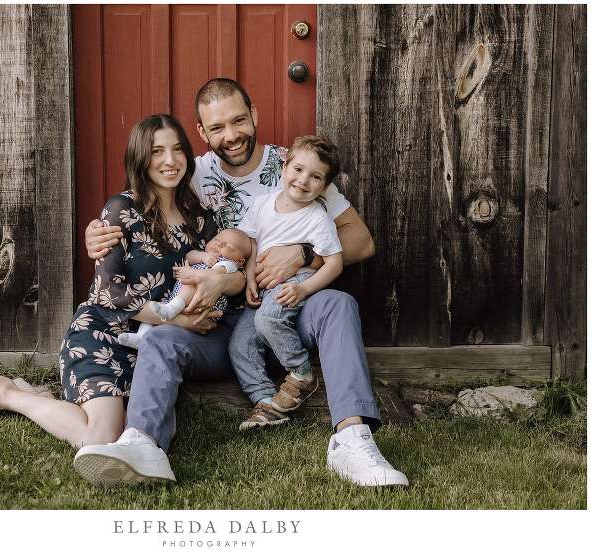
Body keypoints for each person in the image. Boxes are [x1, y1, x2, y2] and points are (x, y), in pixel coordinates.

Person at [77, 78, 408, 487]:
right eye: (217, 128)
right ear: (202, 132)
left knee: (337, 303)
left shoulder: (296, 166)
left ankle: (352, 440)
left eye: (238, 121)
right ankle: (143, 444)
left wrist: (303, 254)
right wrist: (99, 233)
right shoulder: (193, 172)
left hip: (286, 309)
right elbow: (138, 204)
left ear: (255, 115)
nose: (231, 136)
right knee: (161, 340)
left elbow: (361, 241)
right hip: (218, 323)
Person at [0, 115, 223, 484]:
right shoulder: (122, 209)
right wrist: (179, 320)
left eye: (177, 149)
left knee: (126, 437)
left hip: (150, 348)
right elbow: (110, 294)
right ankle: (2, 391)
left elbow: (215, 271)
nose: (170, 160)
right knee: (100, 439)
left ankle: (26, 392)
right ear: (140, 158)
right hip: (103, 334)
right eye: (157, 152)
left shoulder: (199, 217)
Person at [233, 135, 343, 430]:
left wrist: (303, 288)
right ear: (285, 165)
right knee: (240, 343)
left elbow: (334, 263)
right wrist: (249, 280)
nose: (303, 180)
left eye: (315, 176)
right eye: (298, 169)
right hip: (262, 283)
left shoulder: (317, 218)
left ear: (325, 185)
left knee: (268, 320)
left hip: (294, 280)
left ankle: (302, 373)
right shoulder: (261, 204)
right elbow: (253, 243)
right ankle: (267, 401)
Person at [117, 228, 251, 349]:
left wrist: (192, 273)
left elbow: (211, 277)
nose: (220, 244)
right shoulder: (205, 255)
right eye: (217, 239)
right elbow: (189, 256)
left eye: (229, 246)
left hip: (201, 306)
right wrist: (203, 256)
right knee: (155, 315)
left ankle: (172, 308)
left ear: (240, 260)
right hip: (177, 300)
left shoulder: (229, 264)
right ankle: (141, 337)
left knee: (195, 282)